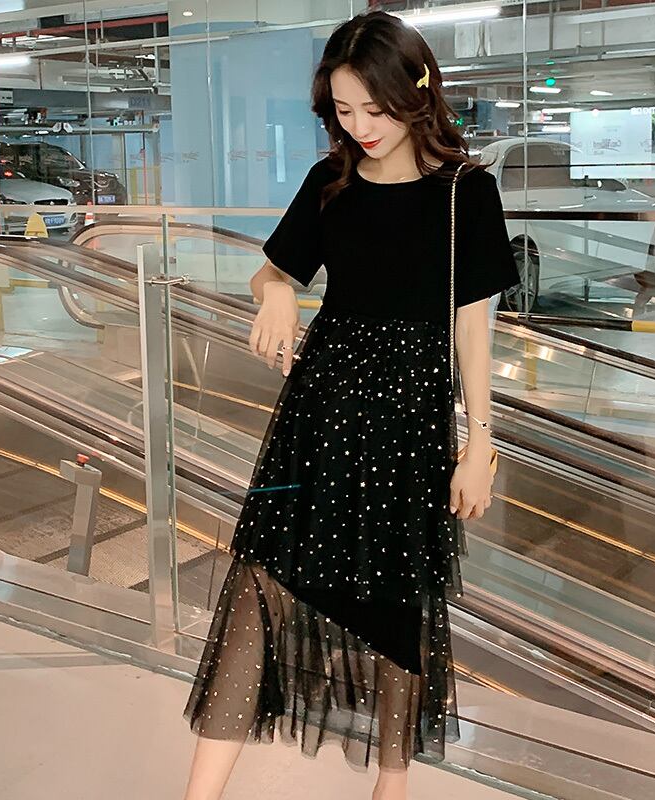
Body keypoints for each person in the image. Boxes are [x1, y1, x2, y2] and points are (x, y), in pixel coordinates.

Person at [182, 10, 520, 800]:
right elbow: (272, 270)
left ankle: (390, 787)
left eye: (375, 107)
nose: (361, 127)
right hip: (318, 414)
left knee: (400, 608)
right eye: (343, 110)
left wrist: (479, 442)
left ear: (417, 92)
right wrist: (274, 292)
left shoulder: (466, 193)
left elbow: (474, 328)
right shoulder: (329, 184)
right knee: (259, 588)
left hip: (410, 421)